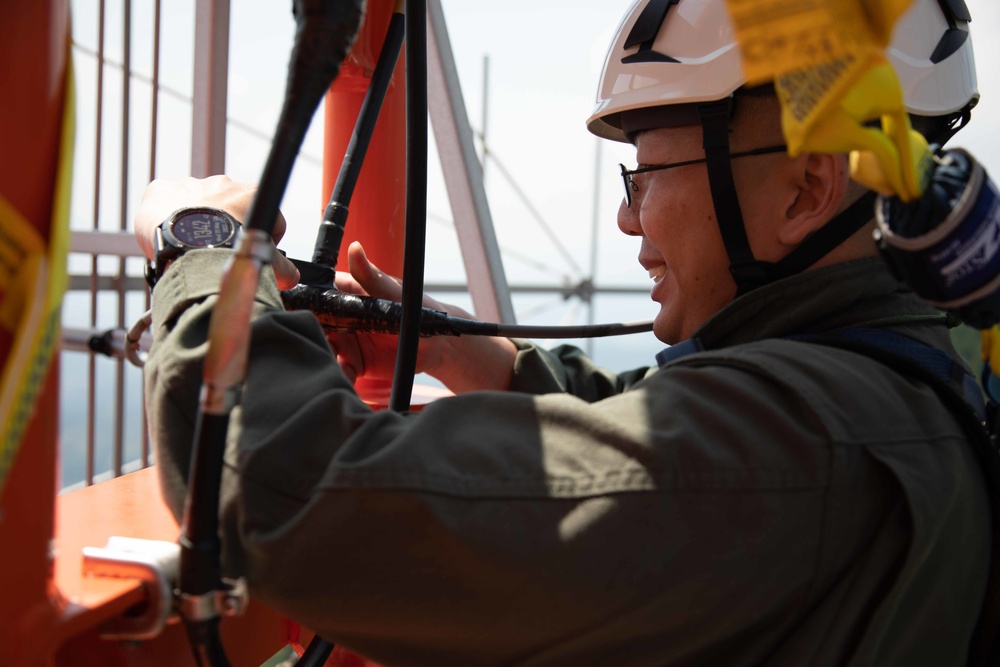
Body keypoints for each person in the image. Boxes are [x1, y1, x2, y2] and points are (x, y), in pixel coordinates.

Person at [136, 0, 991, 664]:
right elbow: (677, 433)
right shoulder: (925, 362)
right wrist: (476, 359)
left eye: (649, 171)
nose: (625, 217)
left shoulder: (796, 453)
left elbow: (288, 493)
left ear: (806, 189)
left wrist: (204, 248)